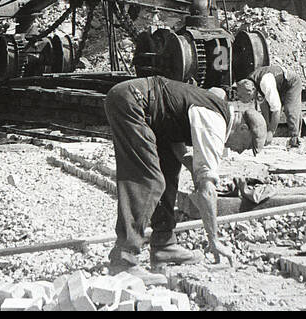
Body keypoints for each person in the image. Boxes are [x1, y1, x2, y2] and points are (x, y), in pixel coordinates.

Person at [103, 74, 266, 274]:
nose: (241, 151)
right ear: (242, 128)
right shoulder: (215, 123)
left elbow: (176, 132)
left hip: (151, 112)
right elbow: (207, 191)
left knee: (169, 171)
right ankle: (124, 261)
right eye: (247, 145)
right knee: (149, 180)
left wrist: (192, 166)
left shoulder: (214, 109)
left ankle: (164, 245)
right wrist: (214, 240)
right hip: (132, 102)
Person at [236, 59, 306, 147]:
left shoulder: (265, 82)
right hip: (279, 85)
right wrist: (266, 129)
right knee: (270, 109)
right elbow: (264, 107)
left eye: (243, 97)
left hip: (291, 83)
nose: (242, 100)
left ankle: (295, 139)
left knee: (290, 110)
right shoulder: (252, 83)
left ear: (251, 91)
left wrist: (271, 132)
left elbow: (276, 109)